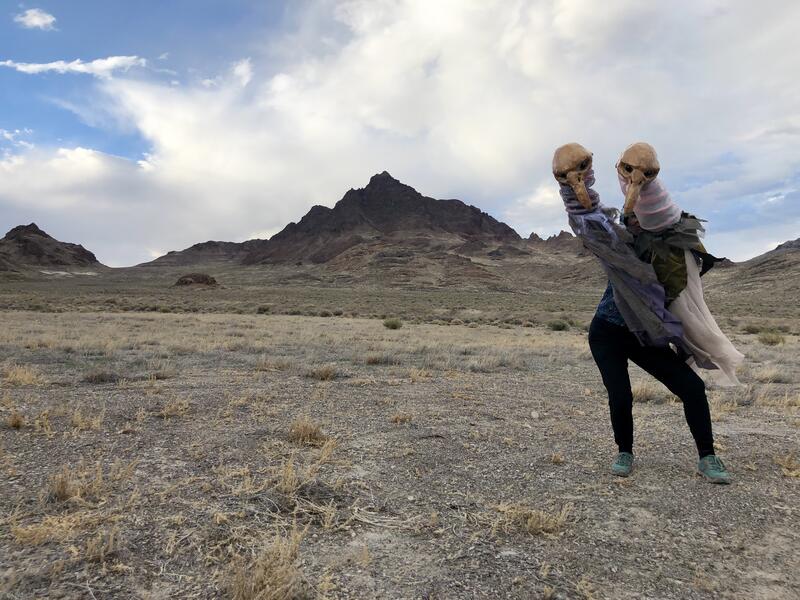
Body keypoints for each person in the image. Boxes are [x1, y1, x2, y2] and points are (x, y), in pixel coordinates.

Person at [551, 142, 732, 483]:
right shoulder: (618, 245)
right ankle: (624, 452)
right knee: (621, 394)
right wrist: (572, 184)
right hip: (608, 332)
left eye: (639, 218)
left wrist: (642, 176)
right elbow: (590, 223)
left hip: (644, 333)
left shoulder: (673, 246)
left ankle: (708, 458)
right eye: (629, 219)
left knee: (692, 388)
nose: (634, 222)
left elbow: (675, 236)